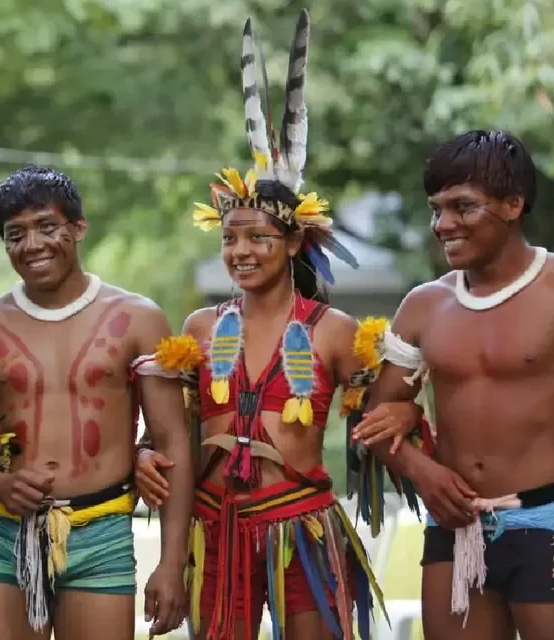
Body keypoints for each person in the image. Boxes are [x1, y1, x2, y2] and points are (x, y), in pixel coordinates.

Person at [134, 10, 422, 639]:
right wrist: (168, 550)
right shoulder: (201, 328)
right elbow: (175, 447)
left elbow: (390, 405)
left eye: (258, 237)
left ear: (294, 243)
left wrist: (406, 413)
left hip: (301, 526)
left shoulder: (334, 330)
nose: (240, 251)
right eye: (230, 238)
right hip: (216, 529)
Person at [0, 164, 193, 640]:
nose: (32, 245)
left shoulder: (137, 318)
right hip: (4, 530)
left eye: (47, 227)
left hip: (102, 527)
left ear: (78, 228)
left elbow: (174, 440)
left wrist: (173, 563)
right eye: (15, 234)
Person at [348, 130, 554, 640]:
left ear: (513, 205)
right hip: (455, 528)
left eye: (462, 207)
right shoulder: (424, 305)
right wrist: (423, 471)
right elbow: (375, 422)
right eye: (436, 209)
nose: (443, 224)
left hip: (550, 520)